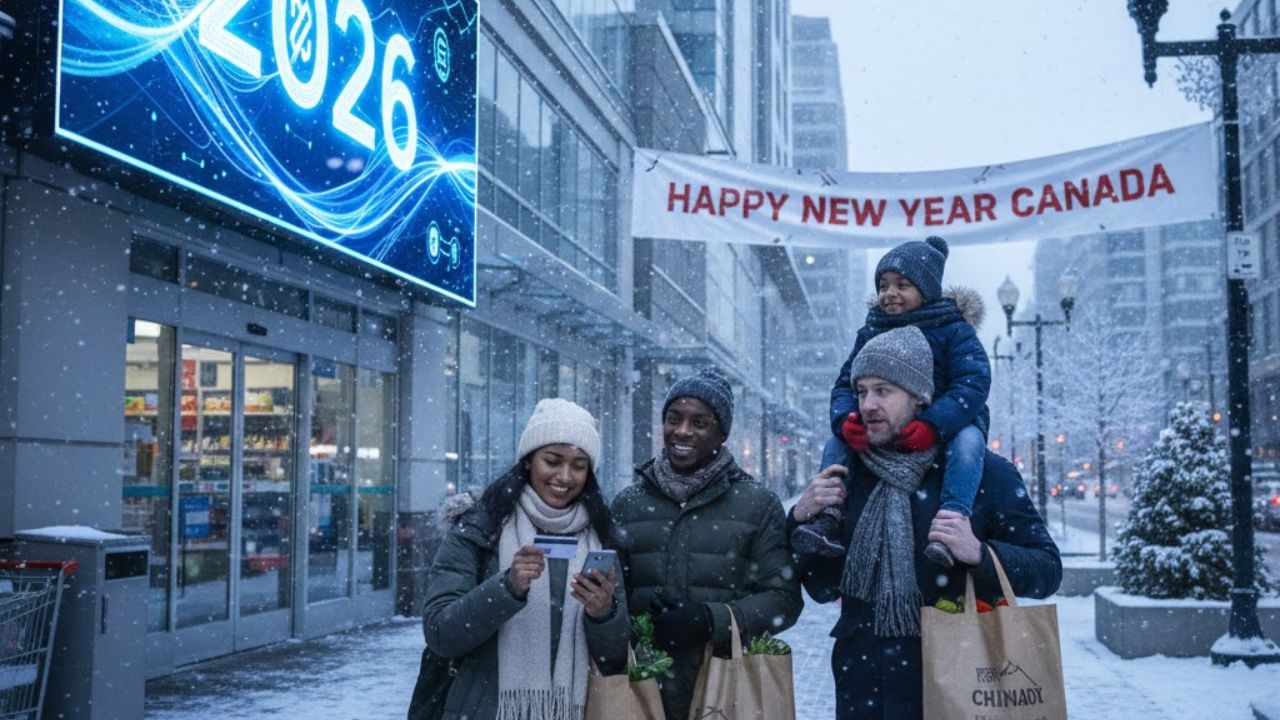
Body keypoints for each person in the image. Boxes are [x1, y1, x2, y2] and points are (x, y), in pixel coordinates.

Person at [789, 326, 1061, 720]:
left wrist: (980, 555)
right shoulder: (847, 475)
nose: (867, 405)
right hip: (864, 690)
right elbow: (820, 586)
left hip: (959, 688)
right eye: (861, 391)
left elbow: (1047, 570)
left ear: (920, 396)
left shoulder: (981, 473)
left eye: (883, 391)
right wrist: (800, 518)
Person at [611, 367, 803, 720]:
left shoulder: (757, 504)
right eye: (674, 419)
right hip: (643, 691)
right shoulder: (628, 504)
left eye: (699, 423)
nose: (682, 431)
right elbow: (611, 601)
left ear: (722, 433)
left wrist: (708, 620)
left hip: (725, 690)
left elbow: (784, 600)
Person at [419, 398, 628, 720]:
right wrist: (507, 588)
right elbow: (440, 634)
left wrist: (603, 614)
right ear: (529, 461)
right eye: (552, 461)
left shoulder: (601, 536)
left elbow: (615, 657)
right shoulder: (480, 529)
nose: (565, 476)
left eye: (578, 465)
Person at [791, 235, 991, 568]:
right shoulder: (871, 331)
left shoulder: (953, 329)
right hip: (887, 427)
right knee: (836, 444)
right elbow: (845, 384)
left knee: (969, 443)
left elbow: (972, 383)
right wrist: (846, 419)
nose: (889, 293)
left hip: (950, 424)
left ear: (926, 290)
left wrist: (934, 424)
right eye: (883, 286)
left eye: (902, 285)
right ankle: (829, 514)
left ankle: (952, 519)